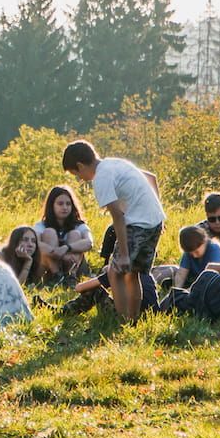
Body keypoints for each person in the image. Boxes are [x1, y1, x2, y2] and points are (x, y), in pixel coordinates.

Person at [61, 139, 164, 324]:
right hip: (155, 221)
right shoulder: (115, 163)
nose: (79, 179)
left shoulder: (101, 178)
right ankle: (133, 320)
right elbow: (151, 177)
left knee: (115, 272)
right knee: (134, 274)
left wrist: (124, 254)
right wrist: (157, 212)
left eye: (76, 174)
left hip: (138, 223)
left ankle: (122, 321)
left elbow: (118, 216)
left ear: (80, 166)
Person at [35, 185, 94, 282]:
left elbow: (89, 242)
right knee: (49, 233)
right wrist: (54, 252)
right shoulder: (42, 225)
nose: (65, 207)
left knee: (75, 234)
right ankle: (56, 276)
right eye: (60, 204)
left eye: (68, 204)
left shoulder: (78, 225)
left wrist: (66, 248)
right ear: (52, 205)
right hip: (49, 265)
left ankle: (70, 276)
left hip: (73, 263)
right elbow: (34, 242)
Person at [154, 223, 220, 294]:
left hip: (212, 284)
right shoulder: (190, 251)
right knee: (172, 270)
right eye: (191, 253)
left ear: (204, 242)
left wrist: (188, 292)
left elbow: (208, 279)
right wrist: (177, 290)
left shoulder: (214, 250)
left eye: (196, 252)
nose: (194, 256)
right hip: (194, 278)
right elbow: (182, 273)